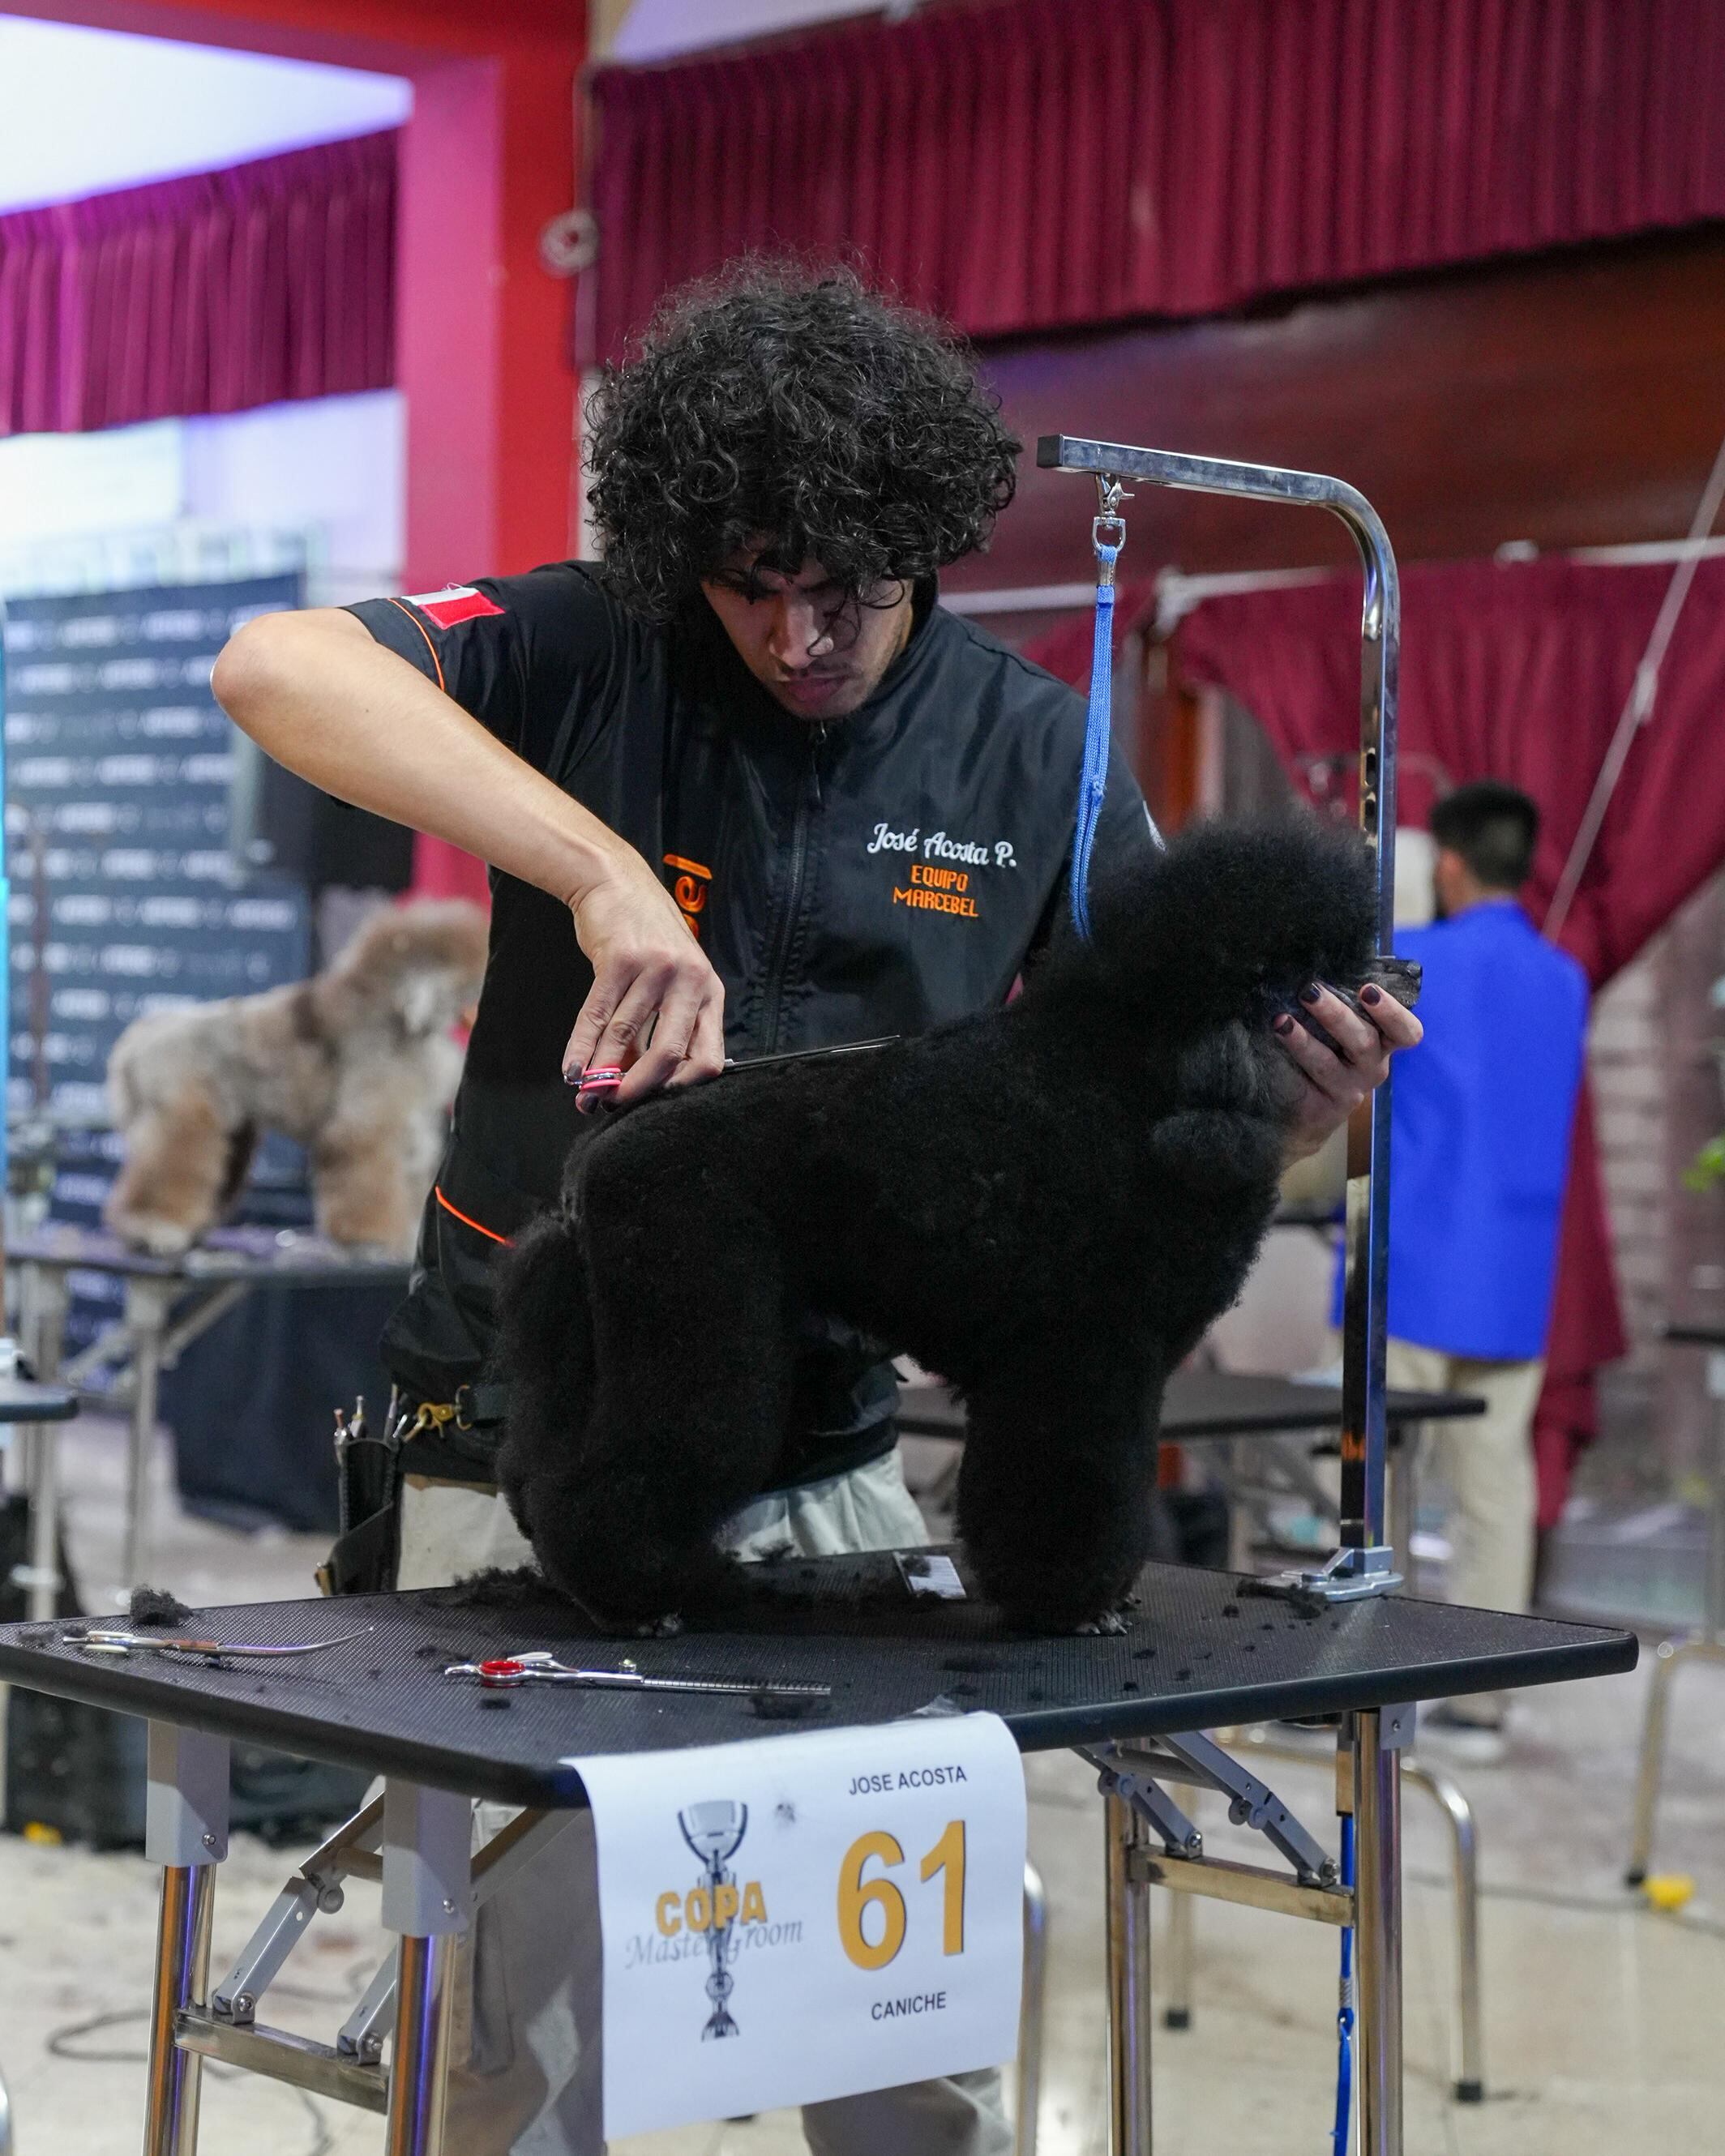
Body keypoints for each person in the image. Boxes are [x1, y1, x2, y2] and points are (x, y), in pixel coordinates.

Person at [215, 261, 1418, 2156]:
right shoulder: (589, 646)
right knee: (527, 2035)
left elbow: (1169, 1136)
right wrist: (598, 871)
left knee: (898, 2031)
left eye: (840, 587)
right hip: (532, 1429)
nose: (795, 633)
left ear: (925, 539)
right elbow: (273, 668)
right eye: (751, 584)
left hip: (843, 1475)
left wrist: (1302, 1114)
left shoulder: (1040, 754)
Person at [1370, 782, 1588, 1762]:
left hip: (1414, 1265)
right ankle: (1484, 1702)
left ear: (1448, 861)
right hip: (1514, 1276)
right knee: (1493, 1490)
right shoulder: (1565, 977)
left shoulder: (1408, 964)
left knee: (1372, 1481)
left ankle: (1357, 1670)